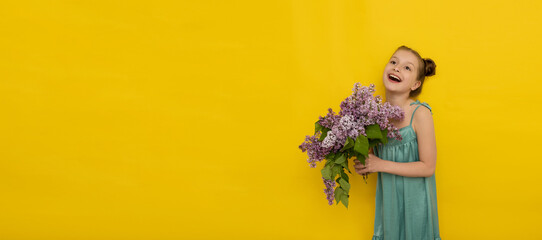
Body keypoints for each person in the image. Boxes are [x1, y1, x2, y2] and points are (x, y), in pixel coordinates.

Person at [354, 45, 441, 240]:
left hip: (415, 205)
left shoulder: (420, 114)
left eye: (407, 68)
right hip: (390, 204)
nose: (397, 68)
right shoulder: (374, 117)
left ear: (415, 85)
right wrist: (364, 162)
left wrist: (378, 164)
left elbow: (428, 167)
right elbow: (374, 160)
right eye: (393, 62)